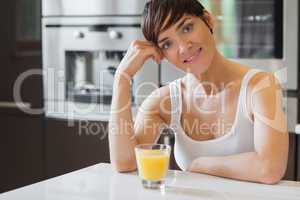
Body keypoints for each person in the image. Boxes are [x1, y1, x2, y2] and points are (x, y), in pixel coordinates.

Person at [108, 0, 288, 184]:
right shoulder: (165, 101)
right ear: (161, 54)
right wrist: (122, 77)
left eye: (186, 28)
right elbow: (125, 162)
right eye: (167, 44)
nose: (184, 48)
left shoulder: (260, 86)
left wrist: (201, 165)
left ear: (208, 20)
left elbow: (269, 168)